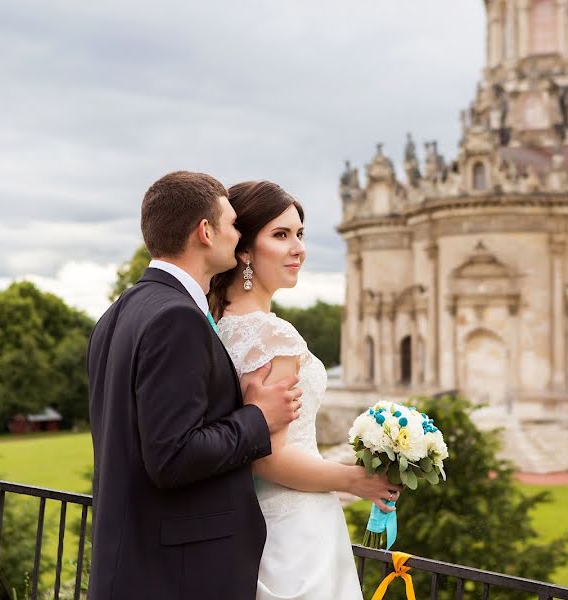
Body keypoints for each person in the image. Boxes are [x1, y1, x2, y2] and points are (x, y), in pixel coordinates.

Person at [86, 171, 303, 600]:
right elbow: (172, 456)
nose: (238, 234)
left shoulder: (119, 312)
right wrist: (258, 417)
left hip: (131, 566)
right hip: (177, 576)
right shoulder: (176, 318)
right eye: (232, 223)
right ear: (205, 232)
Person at [208, 180, 401, 600]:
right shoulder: (274, 335)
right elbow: (270, 459)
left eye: (300, 234)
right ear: (244, 250)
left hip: (244, 523)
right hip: (294, 529)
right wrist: (355, 479)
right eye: (280, 235)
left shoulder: (215, 325)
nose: (298, 248)